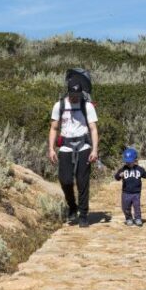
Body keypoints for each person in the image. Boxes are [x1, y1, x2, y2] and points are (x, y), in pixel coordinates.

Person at [48, 69, 100, 227]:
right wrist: (51, 148)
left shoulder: (87, 106)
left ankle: (83, 214)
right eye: (72, 95)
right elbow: (54, 128)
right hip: (65, 147)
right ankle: (72, 206)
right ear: (68, 92)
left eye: (77, 95)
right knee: (65, 180)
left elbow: (93, 129)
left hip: (83, 146)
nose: (75, 98)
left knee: (83, 182)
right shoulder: (60, 105)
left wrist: (94, 150)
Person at [114, 147, 146, 226]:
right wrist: (119, 175)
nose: (128, 163)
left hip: (136, 192)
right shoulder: (123, 169)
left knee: (137, 206)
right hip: (126, 192)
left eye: (130, 162)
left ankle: (138, 218)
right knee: (125, 207)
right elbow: (116, 178)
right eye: (127, 162)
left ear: (135, 160)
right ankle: (128, 218)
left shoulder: (139, 169)